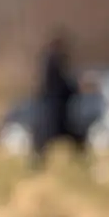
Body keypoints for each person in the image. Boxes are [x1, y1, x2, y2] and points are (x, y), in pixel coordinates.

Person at [31, 32, 81, 170]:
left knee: (66, 135)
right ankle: (37, 162)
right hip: (55, 107)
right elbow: (60, 84)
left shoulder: (49, 60)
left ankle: (37, 162)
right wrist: (73, 90)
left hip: (54, 106)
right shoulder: (54, 61)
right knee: (52, 135)